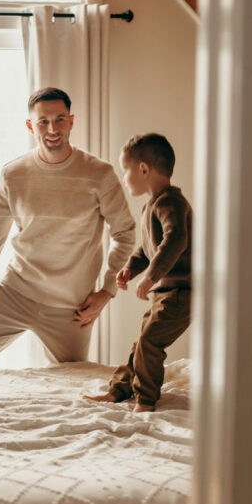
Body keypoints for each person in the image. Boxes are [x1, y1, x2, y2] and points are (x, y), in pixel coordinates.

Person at [0, 87, 136, 369]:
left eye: (60, 119)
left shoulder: (99, 174)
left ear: (71, 121)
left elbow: (124, 234)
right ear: (30, 126)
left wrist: (106, 291)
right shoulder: (13, 175)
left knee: (74, 378)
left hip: (71, 307)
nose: (52, 128)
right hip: (16, 293)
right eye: (43, 121)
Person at [83, 133, 192, 412]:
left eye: (125, 170)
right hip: (165, 293)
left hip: (180, 293)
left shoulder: (171, 203)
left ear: (143, 169)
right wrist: (130, 269)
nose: (124, 178)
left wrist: (151, 276)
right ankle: (118, 390)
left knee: (150, 343)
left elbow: (176, 239)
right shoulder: (150, 207)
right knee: (140, 343)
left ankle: (145, 400)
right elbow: (147, 250)